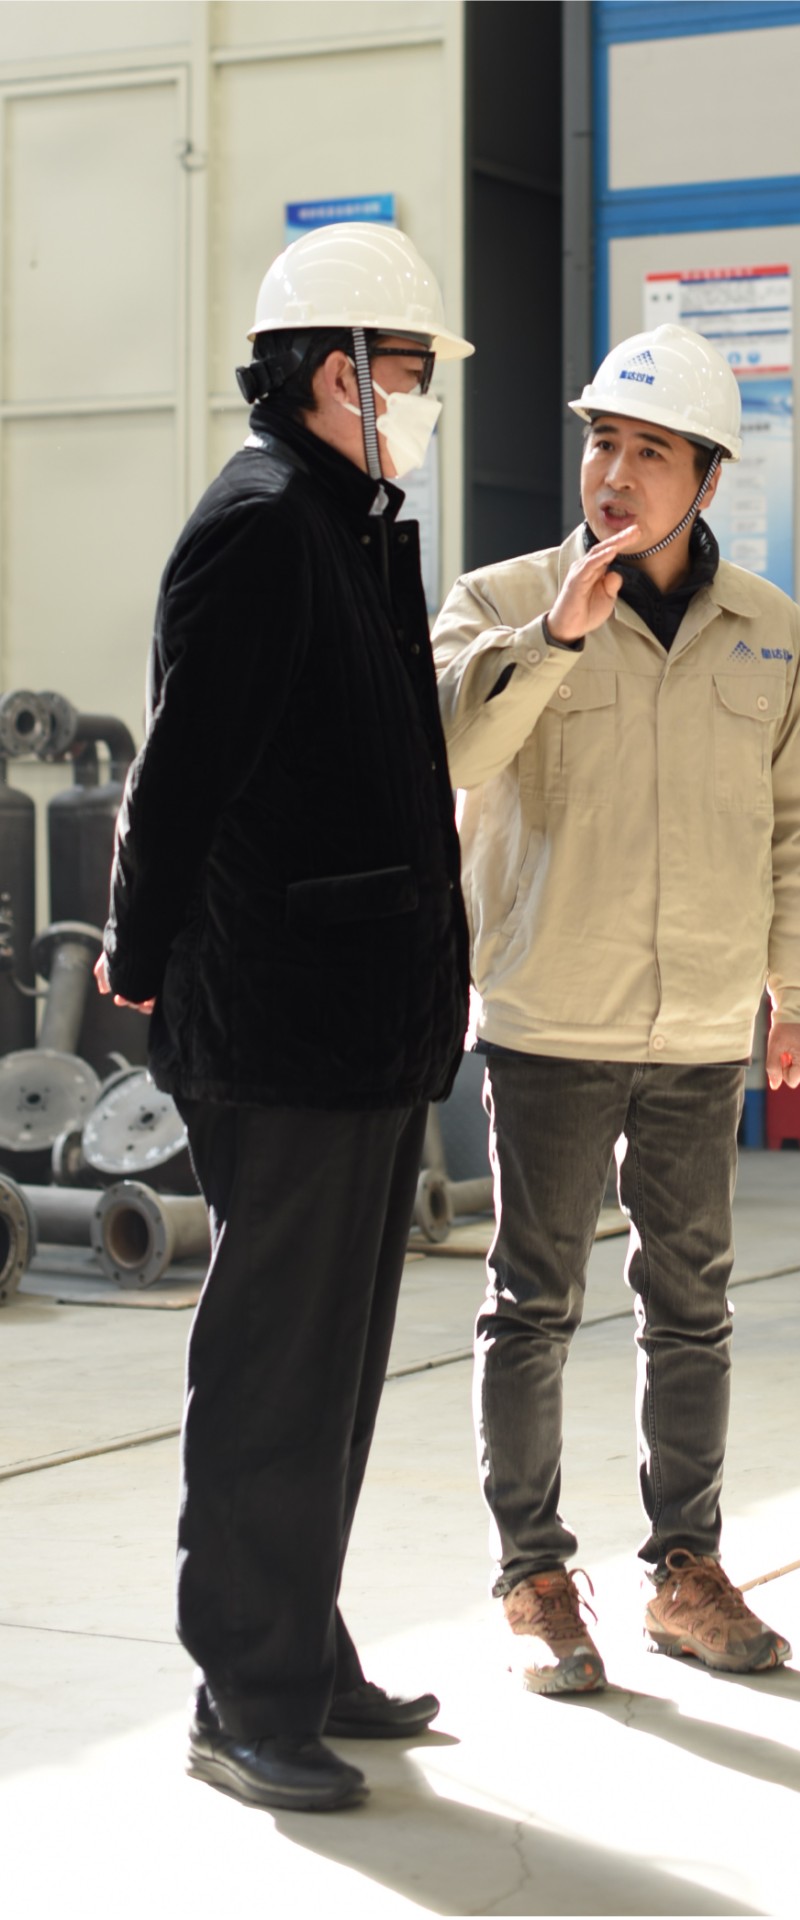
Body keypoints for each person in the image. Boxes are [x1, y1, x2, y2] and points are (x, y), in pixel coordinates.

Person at [99, 222, 472, 1809]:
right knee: (274, 1377)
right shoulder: (260, 527)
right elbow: (181, 771)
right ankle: (243, 1696)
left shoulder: (349, 524)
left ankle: (305, 1649)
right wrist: (138, 950)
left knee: (335, 1373)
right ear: (337, 373)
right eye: (412, 370)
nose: (426, 397)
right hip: (285, 1025)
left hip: (366, 1023)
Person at [431, 323, 800, 1694]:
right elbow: (455, 748)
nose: (614, 472)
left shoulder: (771, 633)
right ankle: (534, 1576)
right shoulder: (499, 598)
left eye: (650, 450)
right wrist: (555, 637)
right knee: (532, 1301)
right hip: (552, 1011)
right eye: (601, 442)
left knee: (692, 1306)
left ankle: (686, 1571)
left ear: (709, 479)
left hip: (702, 1022)